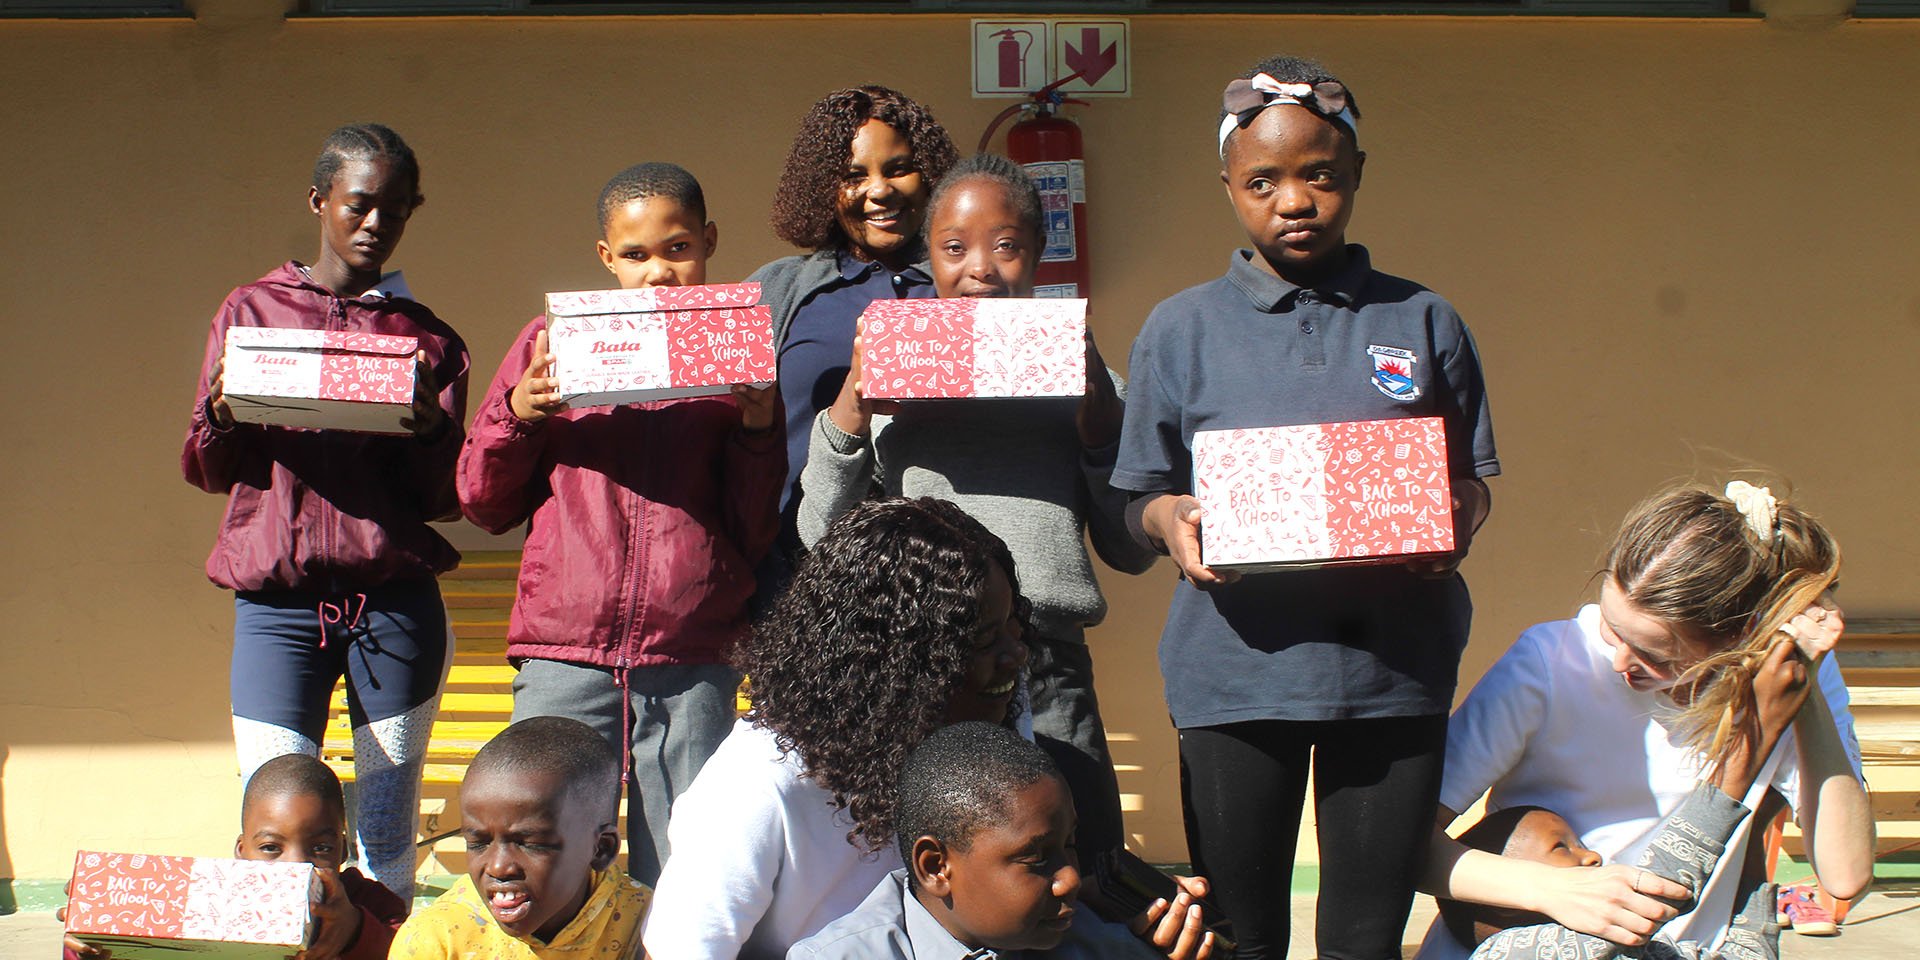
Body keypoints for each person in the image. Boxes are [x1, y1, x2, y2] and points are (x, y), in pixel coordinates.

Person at [1111, 56, 1499, 959]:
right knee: (1240, 937)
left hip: (1391, 677)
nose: (1294, 201)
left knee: (1364, 936)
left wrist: (1453, 516)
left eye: (1319, 175)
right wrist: (1173, 523)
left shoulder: (1424, 319)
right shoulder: (1181, 327)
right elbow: (1136, 498)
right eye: (1263, 181)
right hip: (1234, 679)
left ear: (1357, 173)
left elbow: (1472, 476)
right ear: (1229, 189)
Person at [798, 153, 1153, 858]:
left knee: (1081, 859)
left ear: (1039, 257)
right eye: (954, 248)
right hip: (919, 661)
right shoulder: (890, 376)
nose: (981, 268)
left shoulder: (1091, 384)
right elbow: (820, 534)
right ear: (928, 258)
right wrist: (852, 408)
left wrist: (1097, 421)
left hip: (1046, 662)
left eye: (1008, 245)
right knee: (935, 865)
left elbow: (1132, 548)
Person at [457, 162, 782, 886]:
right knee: (550, 855)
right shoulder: (551, 343)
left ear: (709, 243)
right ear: (606, 258)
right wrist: (518, 415)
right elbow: (482, 500)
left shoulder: (735, 354)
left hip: (689, 657)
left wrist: (758, 427)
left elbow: (752, 528)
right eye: (635, 256)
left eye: (677, 250)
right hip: (564, 654)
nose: (659, 274)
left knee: (683, 864)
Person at [181, 122, 469, 901]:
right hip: (277, 605)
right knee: (278, 818)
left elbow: (452, 498)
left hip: (395, 606)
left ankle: (380, 947)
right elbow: (207, 470)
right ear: (320, 201)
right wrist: (220, 415)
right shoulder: (252, 313)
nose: (377, 224)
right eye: (360, 204)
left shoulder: (428, 341)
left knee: (383, 823)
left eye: (397, 210)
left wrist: (433, 429)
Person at [1415, 482, 1873, 959]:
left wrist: (1805, 692)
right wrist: (1552, 891)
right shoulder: (1551, 662)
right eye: (1612, 629)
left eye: (1656, 655)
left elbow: (1845, 875)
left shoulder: (1784, 682)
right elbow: (1400, 846)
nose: (1619, 662)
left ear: (1738, 640)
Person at [641, 497, 1031, 960]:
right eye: (984, 639)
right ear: (895, 660)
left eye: (1014, 628)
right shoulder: (759, 786)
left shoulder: (987, 731)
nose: (1016, 655)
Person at [747, 85, 959, 596]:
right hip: (796, 578)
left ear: (931, 173)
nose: (880, 190)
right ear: (824, 187)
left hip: (941, 580)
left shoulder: (966, 286)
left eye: (899, 168)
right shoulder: (779, 290)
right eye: (854, 175)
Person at [788, 722, 1213, 960]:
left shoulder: (1087, 940)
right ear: (936, 867)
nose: (1069, 879)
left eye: (1070, 845)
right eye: (1035, 858)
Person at [61, 754, 410, 960]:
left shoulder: (369, 903)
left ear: (343, 853)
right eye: (271, 848)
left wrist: (355, 930)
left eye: (320, 848)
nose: (295, 866)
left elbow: (409, 949)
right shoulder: (214, 909)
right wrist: (94, 938)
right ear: (241, 854)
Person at [390, 717, 650, 960]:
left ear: (601, 849)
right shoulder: (436, 941)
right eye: (479, 843)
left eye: (530, 844)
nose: (498, 867)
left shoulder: (651, 925)